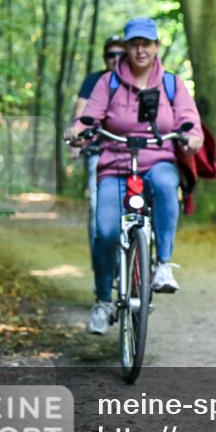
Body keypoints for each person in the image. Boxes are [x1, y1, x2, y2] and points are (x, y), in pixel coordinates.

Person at [65, 18, 204, 335]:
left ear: (156, 47)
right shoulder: (109, 83)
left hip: (158, 160)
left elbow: (188, 120)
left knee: (167, 185)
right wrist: (78, 130)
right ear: (126, 48)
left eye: (146, 44)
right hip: (115, 163)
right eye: (134, 44)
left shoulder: (171, 83)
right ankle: (103, 301)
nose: (140, 50)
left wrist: (192, 137)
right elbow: (89, 116)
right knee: (105, 232)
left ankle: (163, 265)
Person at [70, 36, 126, 287]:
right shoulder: (94, 80)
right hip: (98, 151)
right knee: (97, 210)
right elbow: (81, 112)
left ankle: (139, 261)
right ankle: (102, 269)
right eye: (110, 55)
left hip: (133, 153)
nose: (115, 59)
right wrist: (77, 141)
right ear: (104, 58)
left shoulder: (138, 80)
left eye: (120, 54)